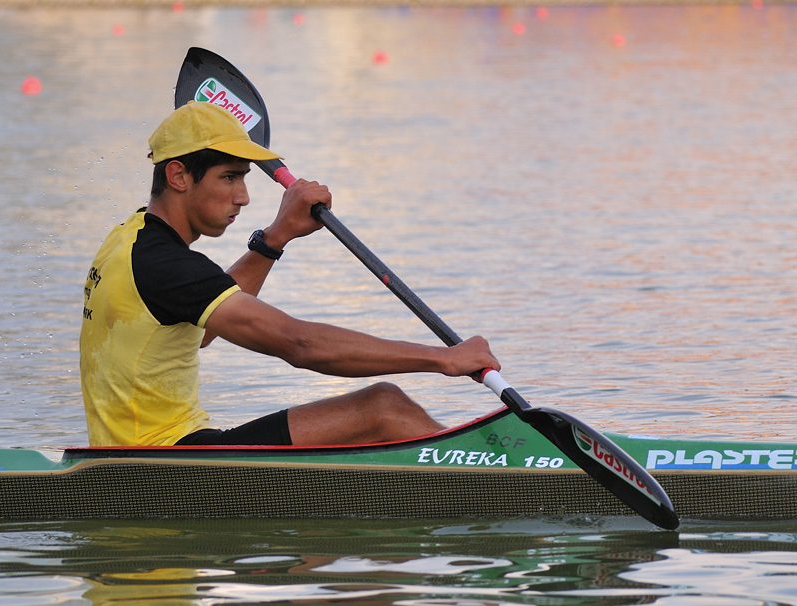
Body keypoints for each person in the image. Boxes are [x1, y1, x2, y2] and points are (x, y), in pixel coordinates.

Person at [79, 101, 500, 448]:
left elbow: (199, 332)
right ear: (178, 176)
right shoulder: (167, 266)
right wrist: (443, 358)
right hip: (164, 464)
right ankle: (500, 476)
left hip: (147, 451)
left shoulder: (128, 238)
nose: (243, 197)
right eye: (229, 177)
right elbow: (299, 344)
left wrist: (276, 237)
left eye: (243, 178)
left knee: (382, 411)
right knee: (383, 408)